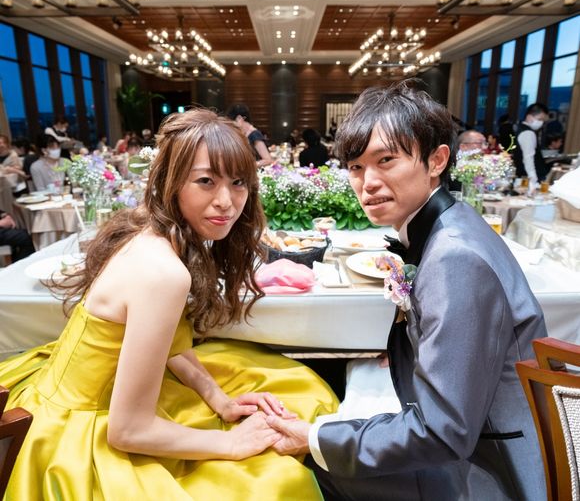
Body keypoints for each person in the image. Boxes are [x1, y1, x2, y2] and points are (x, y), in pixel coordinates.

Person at [0, 109, 337, 499]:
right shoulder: (163, 271)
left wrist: (221, 401)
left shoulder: (147, 226)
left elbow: (170, 345)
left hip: (73, 394)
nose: (226, 202)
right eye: (206, 181)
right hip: (83, 431)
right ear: (171, 181)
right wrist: (231, 443)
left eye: (238, 182)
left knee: (284, 381)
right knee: (279, 480)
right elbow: (128, 430)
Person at [267, 81, 547, 500]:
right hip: (474, 439)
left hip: (488, 471)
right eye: (356, 167)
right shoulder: (450, 222)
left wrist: (313, 438)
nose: (368, 183)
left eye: (386, 160)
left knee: (300, 467)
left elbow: (442, 431)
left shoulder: (455, 257)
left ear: (437, 160)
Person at [512, 103, 549, 191]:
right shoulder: (528, 133)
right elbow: (528, 158)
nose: (541, 123)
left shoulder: (520, 129)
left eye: (543, 120)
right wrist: (533, 180)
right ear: (529, 117)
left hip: (522, 177)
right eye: (539, 119)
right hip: (528, 179)